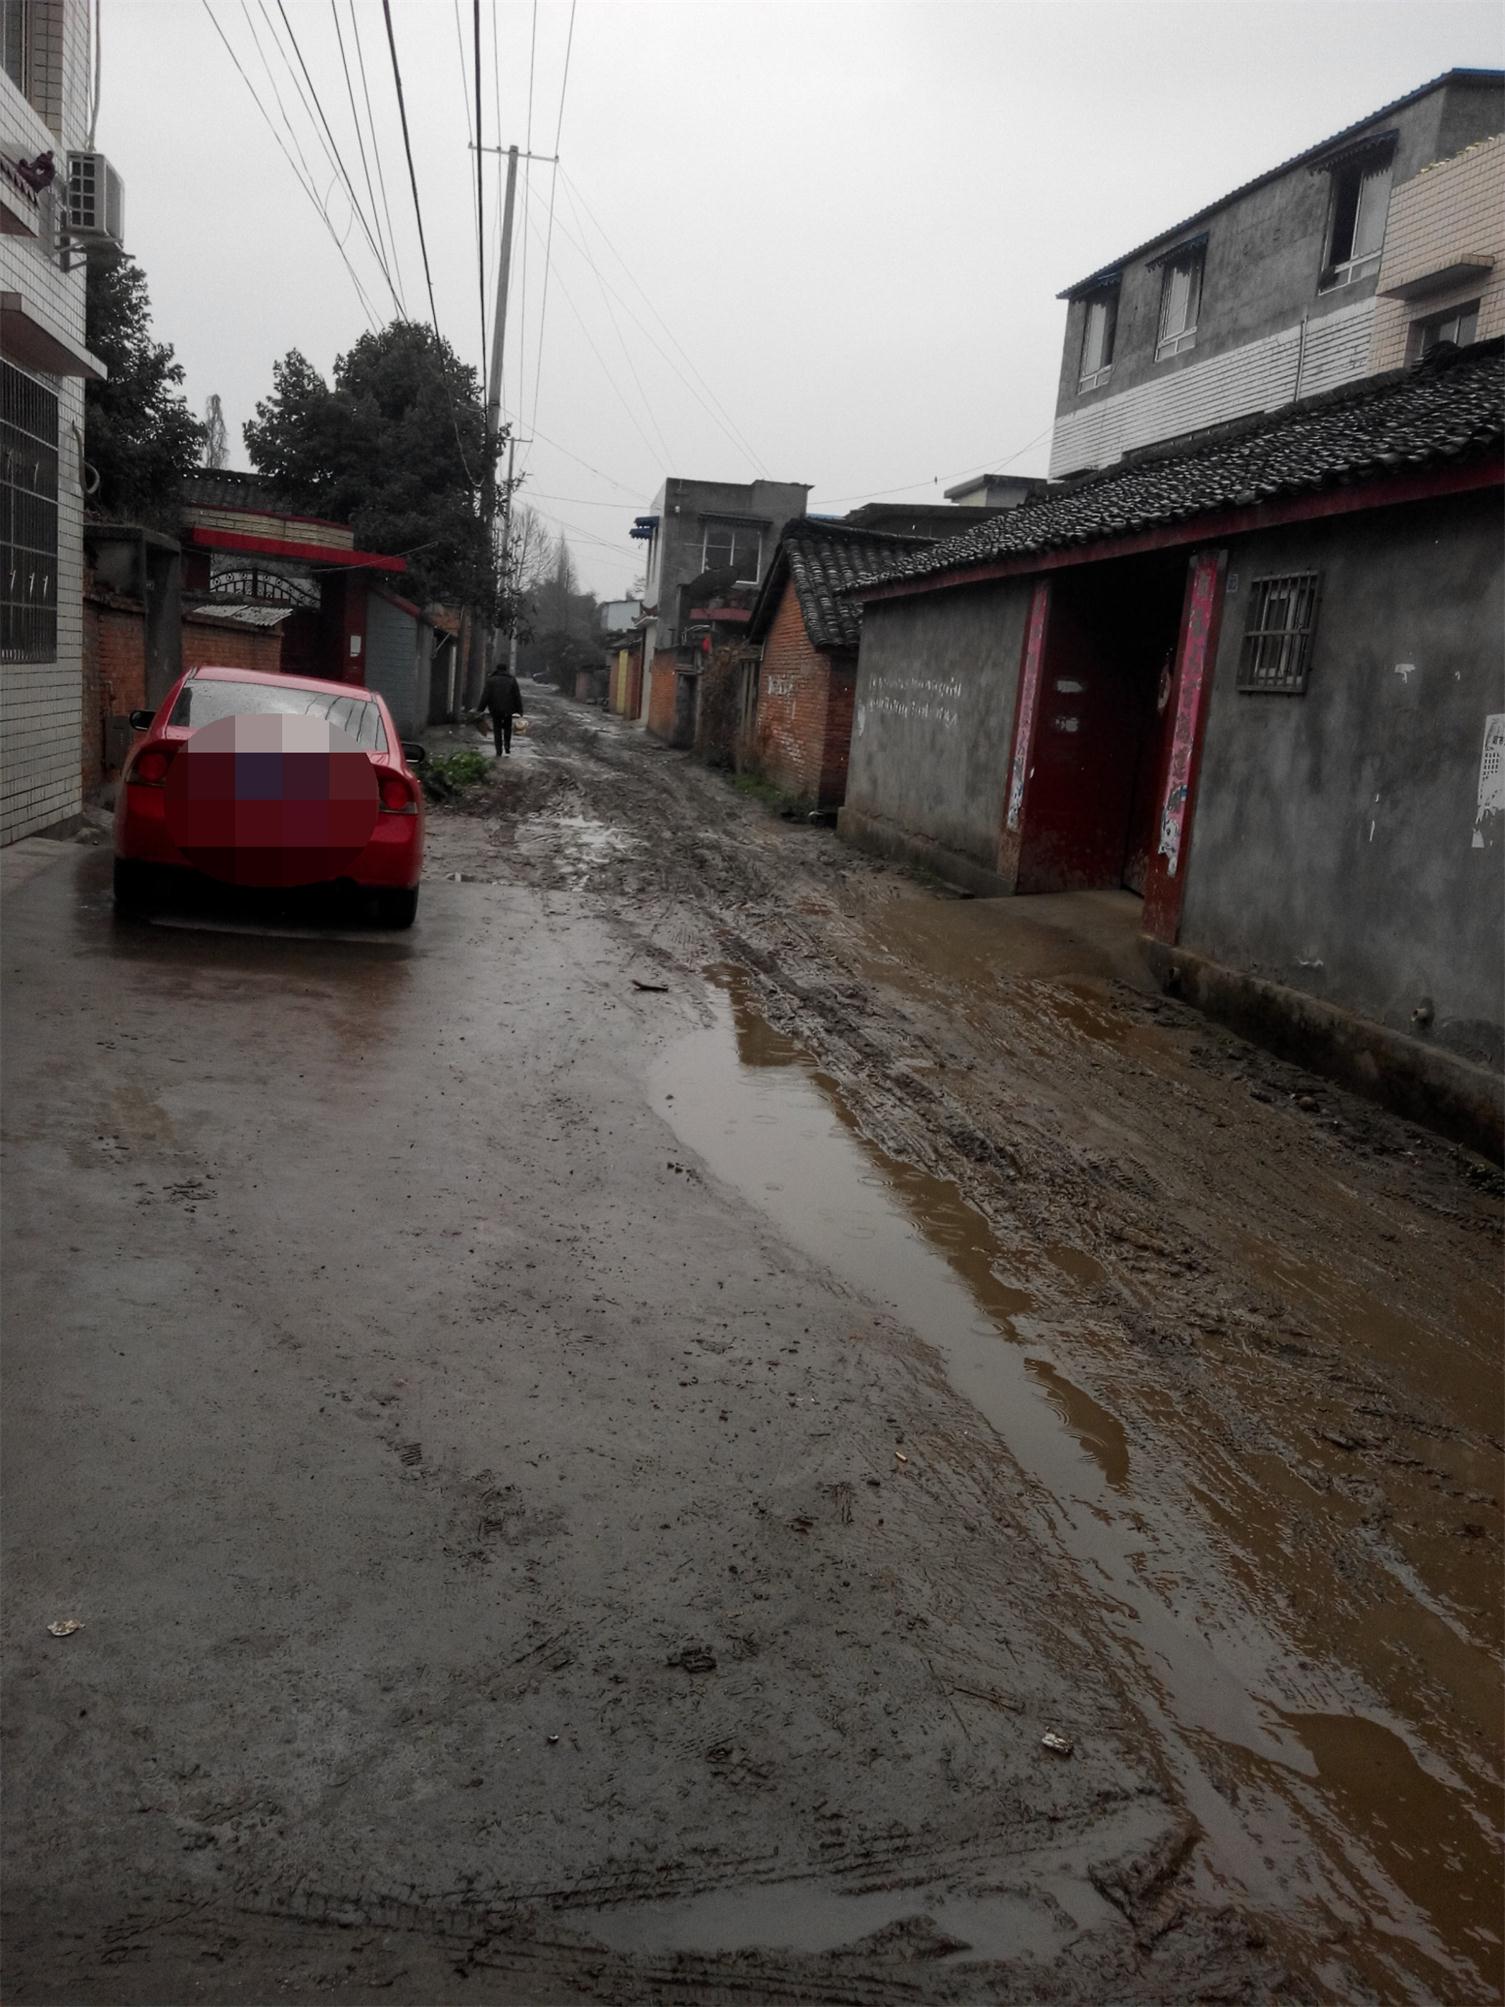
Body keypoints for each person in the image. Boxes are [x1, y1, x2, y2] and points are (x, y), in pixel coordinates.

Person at [481, 661, 525, 756]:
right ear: (506, 670)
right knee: (507, 728)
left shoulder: (491, 680)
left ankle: (498, 749)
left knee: (497, 729)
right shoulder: (512, 680)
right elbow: (517, 696)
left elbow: (486, 696)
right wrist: (520, 710)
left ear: (497, 669)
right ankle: (507, 746)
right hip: (508, 710)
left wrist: (480, 709)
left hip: (495, 709)